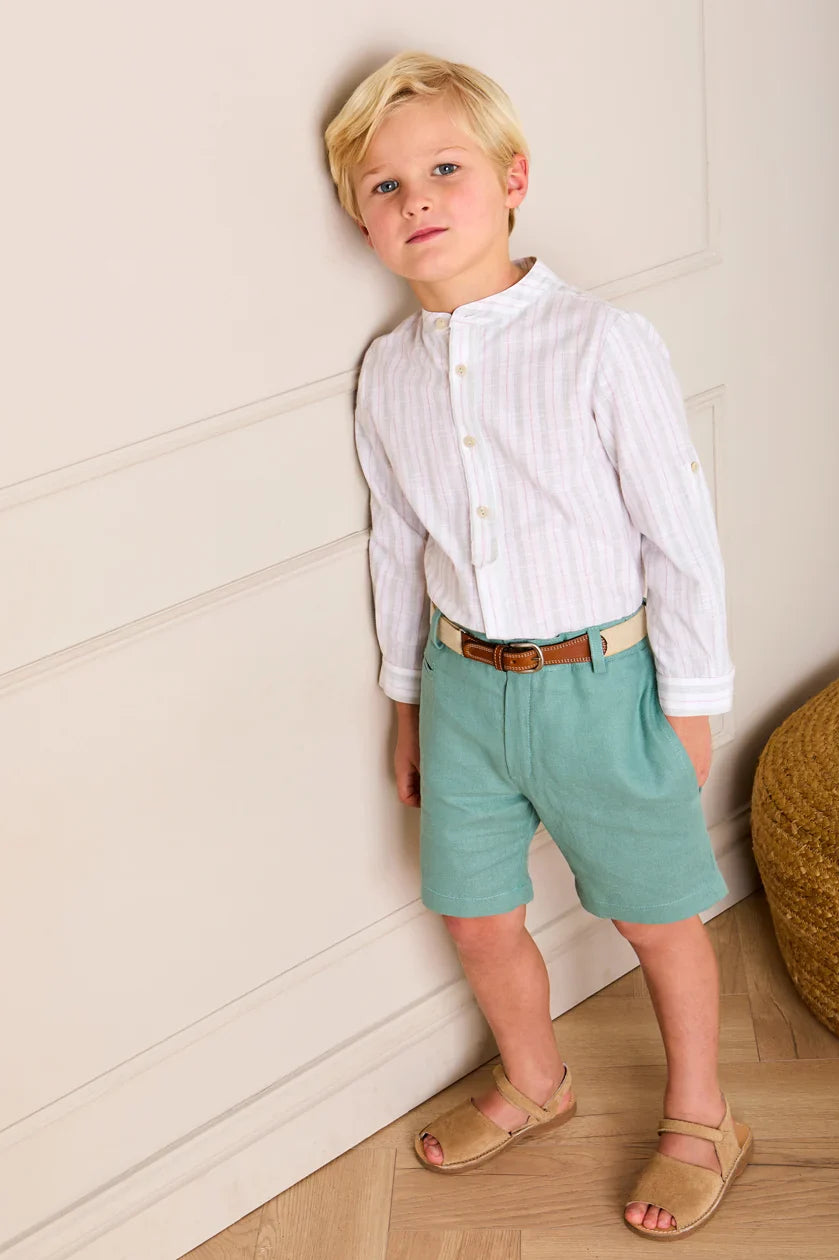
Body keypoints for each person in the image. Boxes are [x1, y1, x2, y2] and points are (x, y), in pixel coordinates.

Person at [324, 50, 753, 1240]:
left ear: (513, 180)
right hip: (463, 691)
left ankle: (704, 1116)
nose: (415, 201)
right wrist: (408, 705)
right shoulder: (387, 375)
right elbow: (397, 546)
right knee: (474, 914)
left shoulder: (601, 341)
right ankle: (534, 1080)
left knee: (655, 918)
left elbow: (680, 537)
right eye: (383, 186)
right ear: (360, 220)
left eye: (444, 170)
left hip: (602, 688)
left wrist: (688, 703)